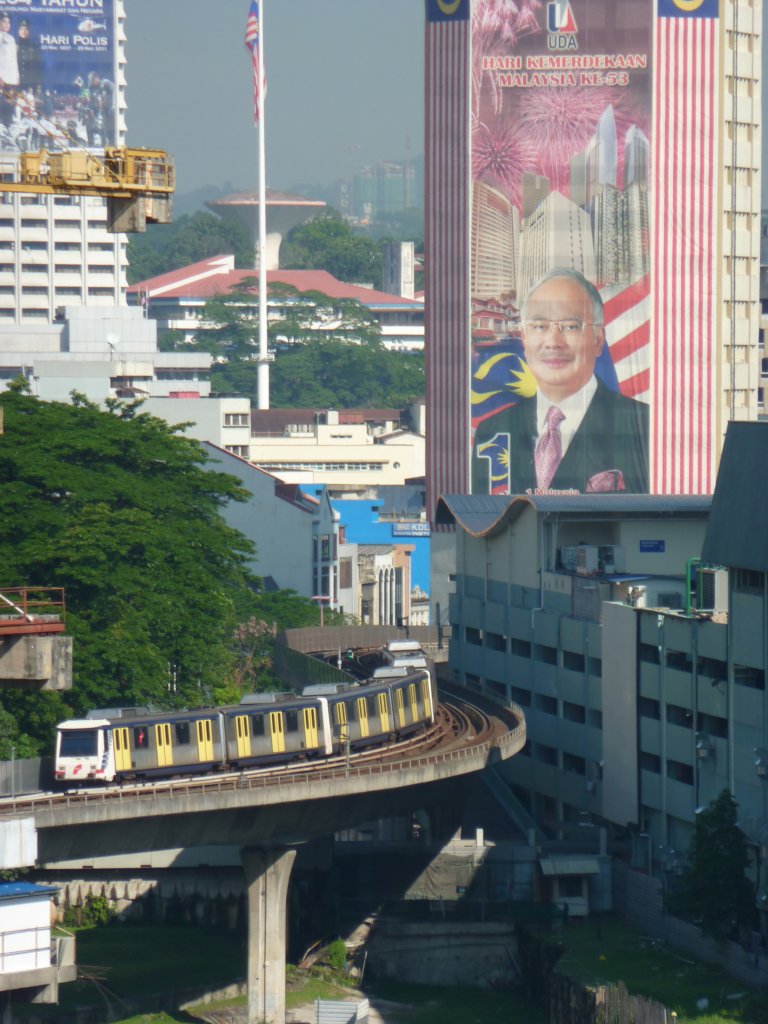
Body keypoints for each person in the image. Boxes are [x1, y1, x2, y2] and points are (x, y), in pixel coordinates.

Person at [472, 268, 648, 494]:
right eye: (539, 326)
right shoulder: (493, 431)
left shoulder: (642, 426)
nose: (553, 342)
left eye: (570, 326)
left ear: (597, 340)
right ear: (524, 339)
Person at [0, 13, 19, 128]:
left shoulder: (11, 39)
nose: (7, 24)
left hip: (10, 78)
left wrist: (16, 76)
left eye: (8, 22)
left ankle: (7, 126)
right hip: (1, 78)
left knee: (9, 103)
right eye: (4, 21)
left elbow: (13, 60)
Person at [16, 19, 41, 94]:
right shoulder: (14, 44)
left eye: (26, 29)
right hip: (16, 82)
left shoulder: (34, 46)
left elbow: (37, 67)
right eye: (21, 29)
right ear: (18, 31)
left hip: (30, 83)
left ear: (29, 31)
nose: (24, 31)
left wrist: (37, 86)